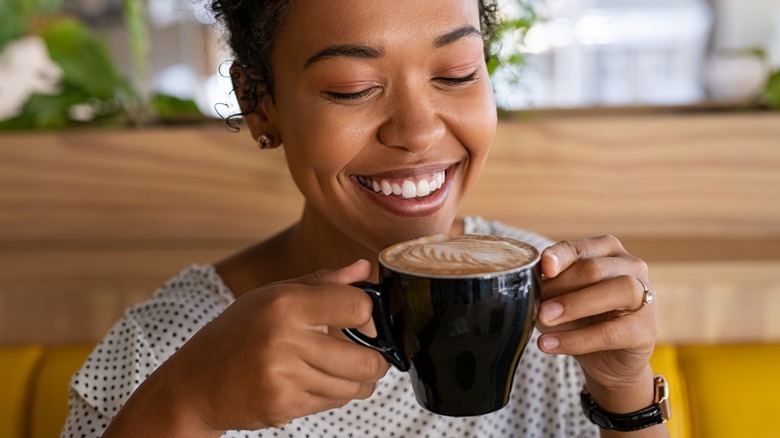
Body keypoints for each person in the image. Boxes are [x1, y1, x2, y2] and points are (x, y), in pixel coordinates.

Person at [61, 1, 667, 437]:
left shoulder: (551, 301)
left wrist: (622, 391)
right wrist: (188, 407)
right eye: (351, 89)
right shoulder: (160, 351)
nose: (418, 132)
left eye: (456, 75)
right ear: (259, 103)